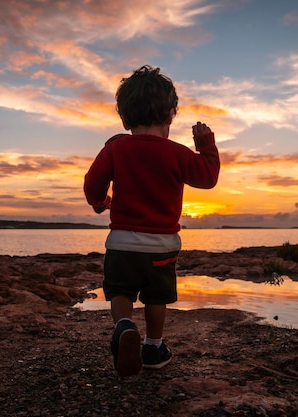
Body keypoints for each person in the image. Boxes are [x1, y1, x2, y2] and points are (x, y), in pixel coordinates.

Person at [83, 65, 220, 377]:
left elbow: (92, 184)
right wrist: (206, 145)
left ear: (125, 115)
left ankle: (123, 326)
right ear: (171, 114)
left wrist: (100, 202)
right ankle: (154, 347)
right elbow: (208, 178)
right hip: (163, 246)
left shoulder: (115, 147)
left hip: (121, 242)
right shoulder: (177, 153)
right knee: (156, 297)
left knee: (120, 291)